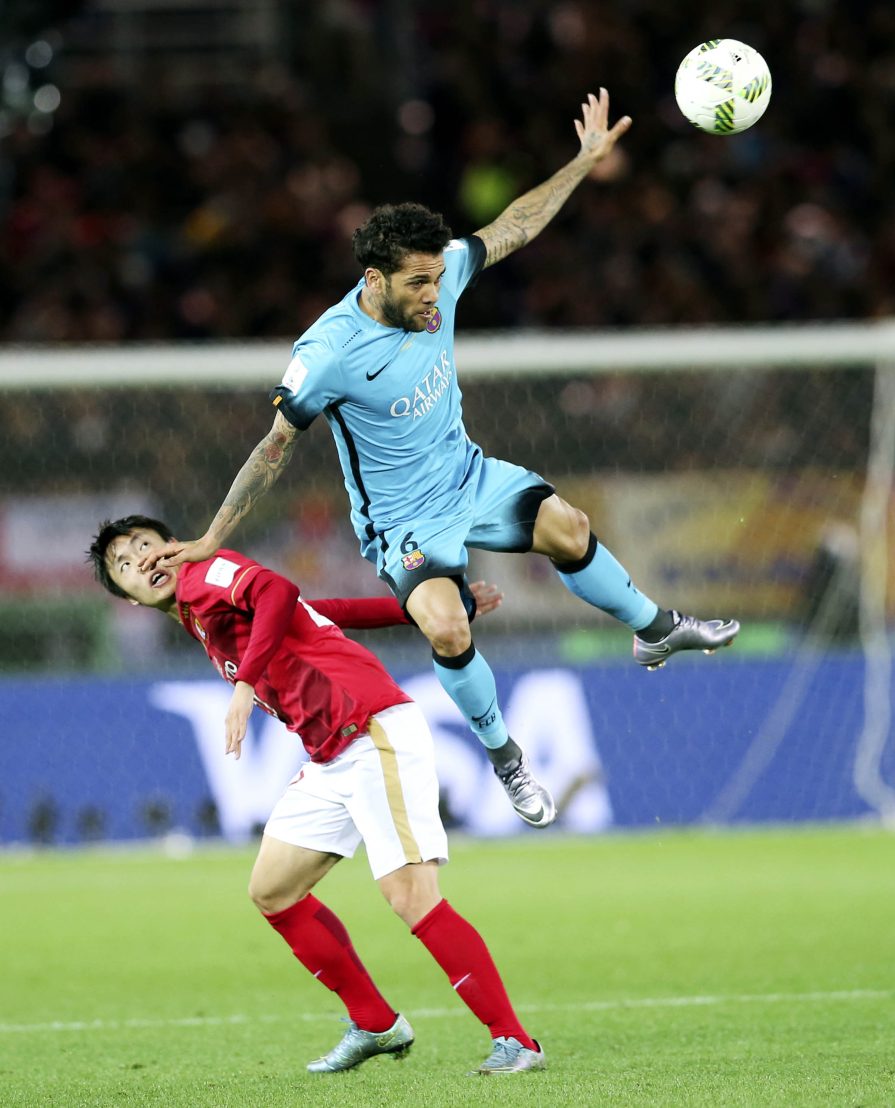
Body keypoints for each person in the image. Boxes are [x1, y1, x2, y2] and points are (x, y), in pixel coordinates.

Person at [141, 89, 739, 830]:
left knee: (569, 526)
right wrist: (210, 537)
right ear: (373, 280)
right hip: (400, 521)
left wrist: (582, 162)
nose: (435, 295)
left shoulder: (443, 272)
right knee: (449, 629)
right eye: (418, 284)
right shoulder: (324, 356)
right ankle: (506, 759)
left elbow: (513, 226)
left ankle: (654, 629)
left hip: (468, 475)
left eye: (437, 278)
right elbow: (273, 450)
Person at [87, 515, 544, 1077]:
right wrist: (422, 612)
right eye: (125, 565)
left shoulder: (204, 573)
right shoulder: (200, 614)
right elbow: (322, 611)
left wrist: (245, 683)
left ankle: (515, 1040)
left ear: (175, 548)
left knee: (411, 896)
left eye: (147, 546)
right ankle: (375, 1021)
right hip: (331, 754)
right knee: (273, 890)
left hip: (370, 728)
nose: (143, 561)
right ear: (128, 598)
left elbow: (280, 591)